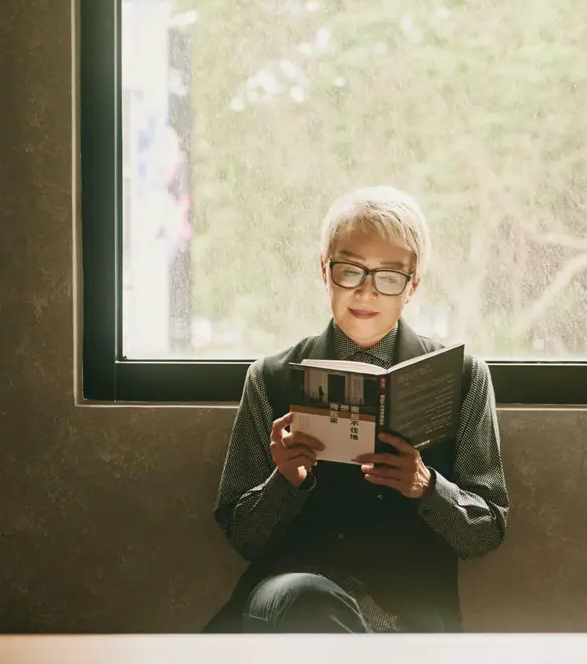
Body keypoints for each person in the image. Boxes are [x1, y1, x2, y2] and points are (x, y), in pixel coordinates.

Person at [203, 186, 510, 633]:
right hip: (292, 600)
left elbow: (487, 532)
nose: (366, 292)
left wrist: (426, 487)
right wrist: (286, 480)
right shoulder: (270, 378)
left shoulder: (462, 378)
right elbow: (243, 537)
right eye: (350, 271)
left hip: (407, 612)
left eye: (388, 276)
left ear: (413, 286)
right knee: (306, 598)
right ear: (324, 271)